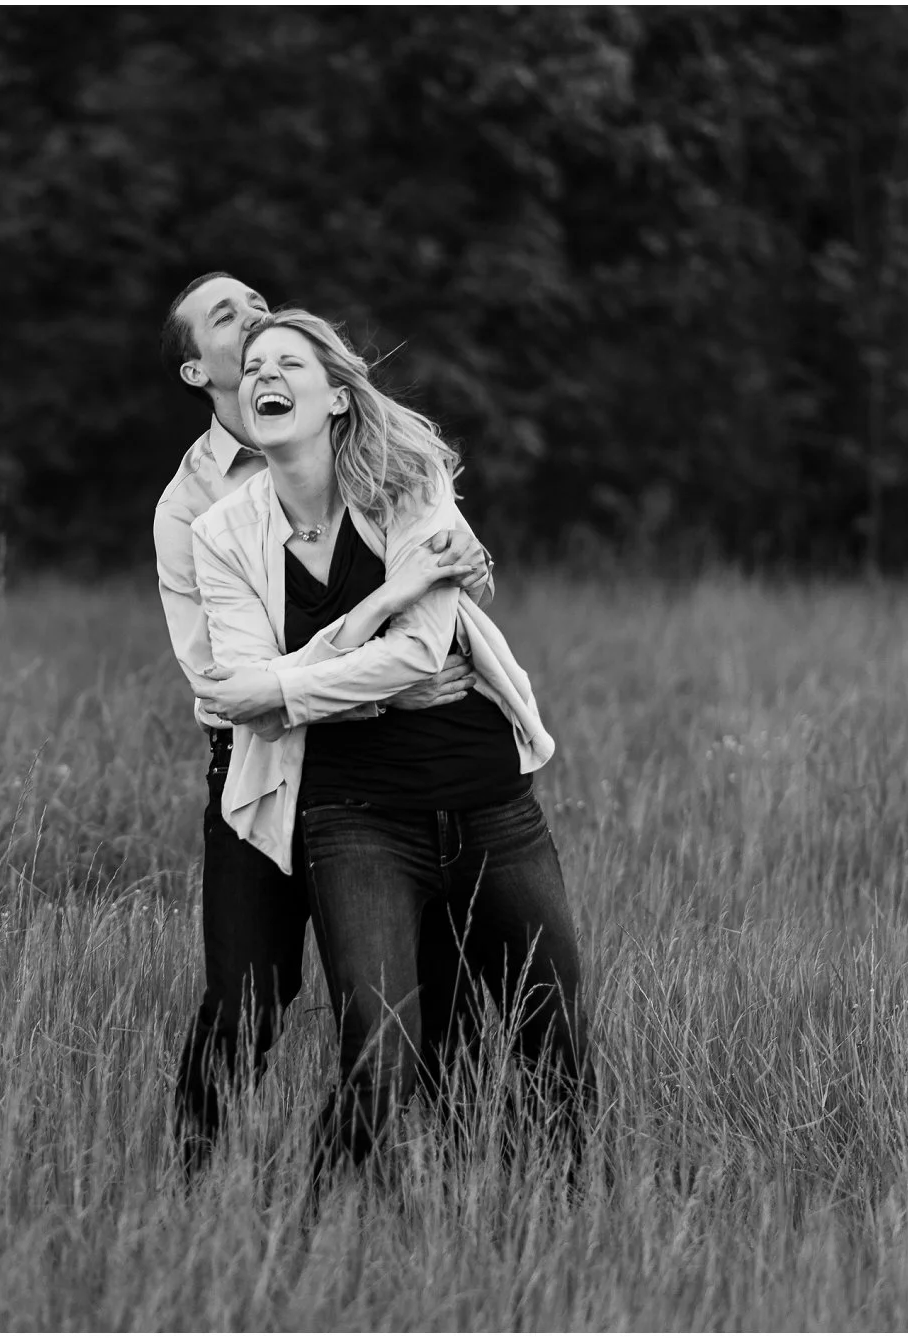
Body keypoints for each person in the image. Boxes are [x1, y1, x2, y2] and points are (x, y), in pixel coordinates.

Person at [190, 308, 595, 1184]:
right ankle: (311, 1228)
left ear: (338, 395)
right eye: (253, 366)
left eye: (290, 363)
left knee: (554, 1034)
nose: (265, 376)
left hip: (489, 805)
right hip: (354, 817)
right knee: (381, 1054)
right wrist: (381, 604)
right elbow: (251, 698)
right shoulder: (221, 535)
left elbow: (413, 654)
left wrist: (289, 688)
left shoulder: (408, 480)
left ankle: (558, 1223)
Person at [152, 273, 497, 1175]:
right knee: (249, 997)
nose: (253, 315)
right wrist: (372, 667)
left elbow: (439, 582)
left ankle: (416, 1185)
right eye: (226, 317)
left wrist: (460, 563)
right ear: (198, 373)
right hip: (262, 761)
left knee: (419, 997)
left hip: (378, 765)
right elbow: (223, 686)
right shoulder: (190, 510)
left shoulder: (358, 448)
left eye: (255, 302)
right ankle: (190, 1175)